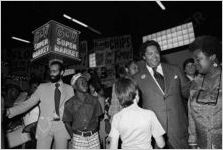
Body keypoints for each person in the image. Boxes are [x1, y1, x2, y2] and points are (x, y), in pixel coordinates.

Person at [133, 40, 191, 148]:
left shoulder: (175, 70)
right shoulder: (137, 78)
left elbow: (188, 92)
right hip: (155, 133)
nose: (154, 56)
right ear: (144, 57)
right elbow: (134, 106)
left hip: (178, 128)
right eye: (150, 54)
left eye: (156, 53)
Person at [6, 60, 74, 149]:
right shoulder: (42, 87)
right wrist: (9, 111)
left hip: (62, 127)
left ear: (61, 72)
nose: (51, 74)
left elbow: (73, 108)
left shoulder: (69, 89)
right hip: (44, 126)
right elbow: (28, 103)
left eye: (55, 71)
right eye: (50, 71)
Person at [109, 77, 165, 149]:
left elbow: (113, 147)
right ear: (137, 93)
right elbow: (161, 144)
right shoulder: (149, 114)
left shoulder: (117, 118)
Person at [188, 35, 222, 149]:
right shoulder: (195, 84)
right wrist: (193, 143)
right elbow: (191, 116)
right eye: (194, 60)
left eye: (198, 59)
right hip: (202, 145)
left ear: (212, 57)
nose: (195, 64)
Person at [63, 73, 103, 149]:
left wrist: (93, 131)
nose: (85, 84)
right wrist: (74, 136)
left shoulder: (94, 100)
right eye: (82, 82)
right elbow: (67, 122)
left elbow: (97, 118)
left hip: (94, 137)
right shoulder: (69, 103)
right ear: (74, 86)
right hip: (78, 137)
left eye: (86, 82)